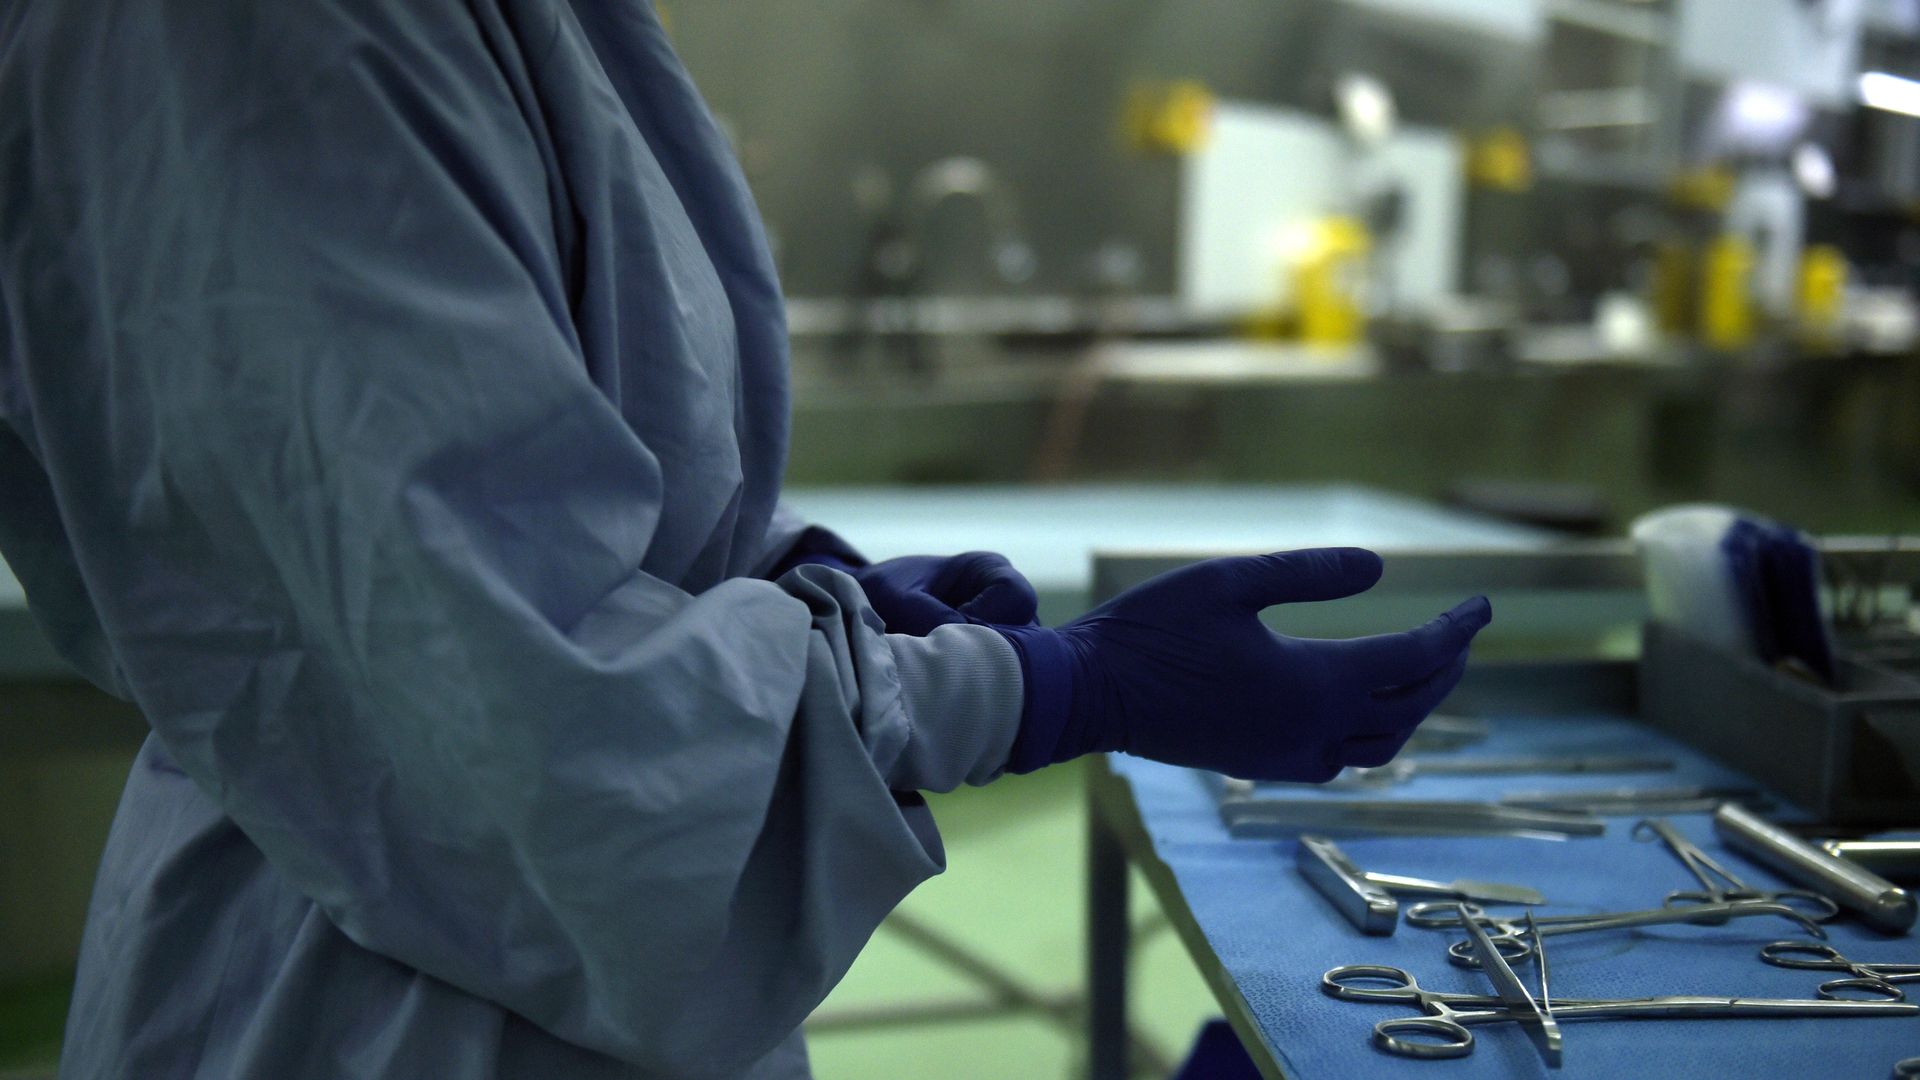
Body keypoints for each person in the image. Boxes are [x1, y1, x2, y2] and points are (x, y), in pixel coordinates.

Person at [0, 3, 1490, 1077]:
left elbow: (541, 482)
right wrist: (1047, 688)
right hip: (375, 994)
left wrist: (816, 598)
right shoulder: (255, 37)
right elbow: (523, 709)